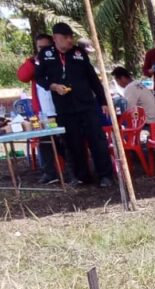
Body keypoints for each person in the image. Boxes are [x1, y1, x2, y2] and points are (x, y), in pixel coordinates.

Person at [36, 22, 114, 188]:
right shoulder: (46, 55)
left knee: (97, 140)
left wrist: (103, 101)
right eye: (66, 37)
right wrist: (54, 86)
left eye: (71, 37)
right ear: (56, 38)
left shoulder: (79, 54)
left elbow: (93, 79)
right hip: (65, 108)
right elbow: (39, 77)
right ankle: (81, 177)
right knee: (73, 143)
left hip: (87, 105)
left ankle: (105, 175)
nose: (70, 41)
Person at [18, 33, 64, 184]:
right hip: (43, 113)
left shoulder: (59, 61)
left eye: (46, 47)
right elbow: (22, 76)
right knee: (44, 143)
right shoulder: (35, 63)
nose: (43, 51)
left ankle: (71, 173)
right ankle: (50, 173)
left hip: (61, 110)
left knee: (65, 143)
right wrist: (33, 61)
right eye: (40, 48)